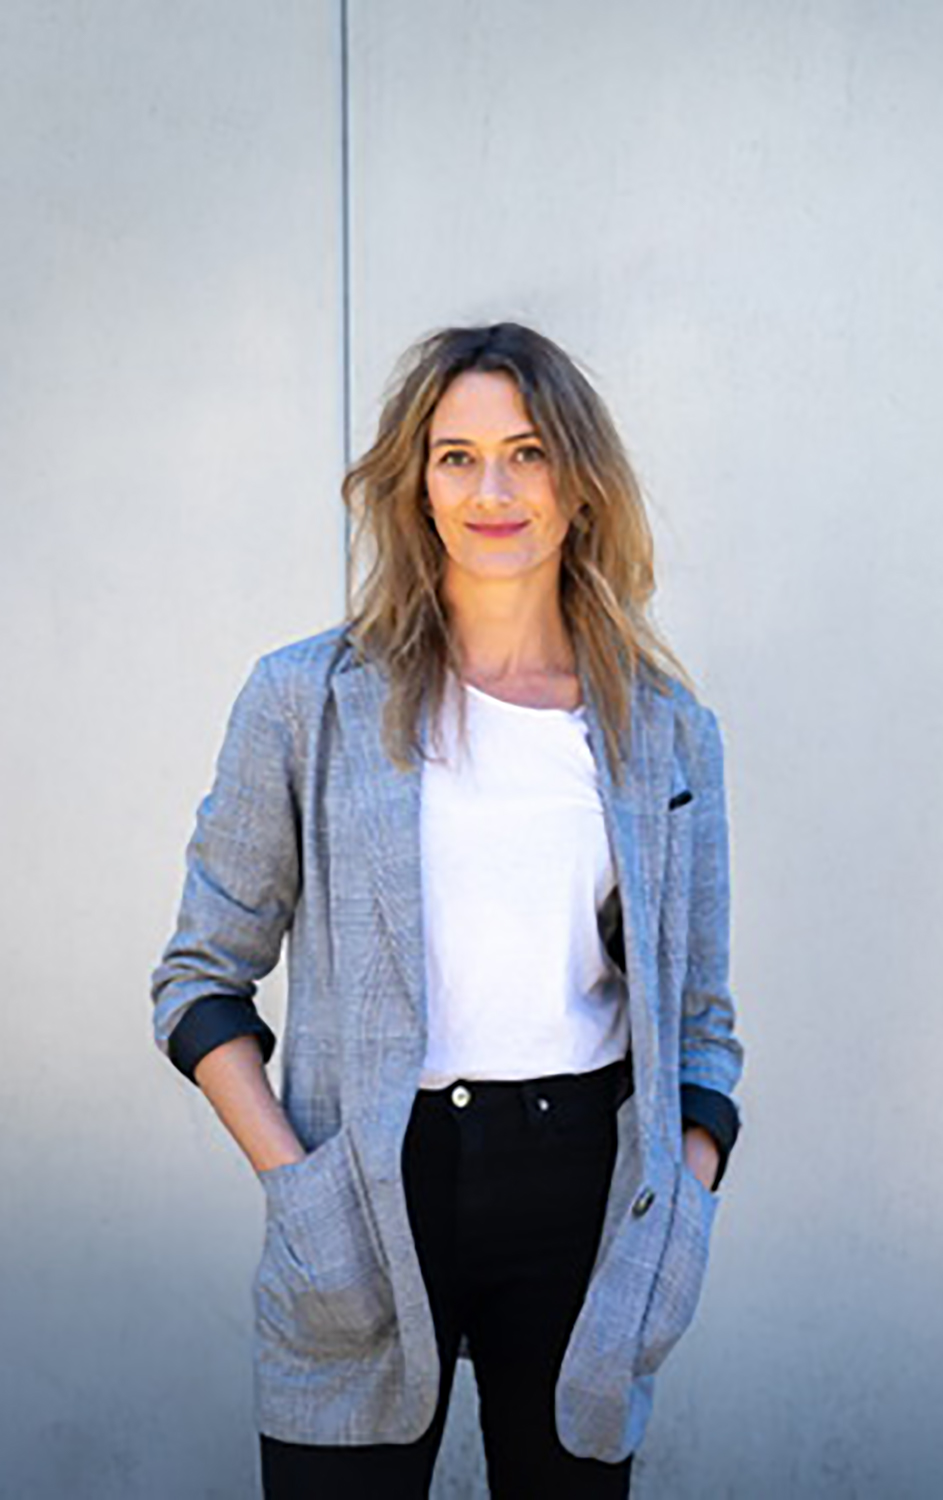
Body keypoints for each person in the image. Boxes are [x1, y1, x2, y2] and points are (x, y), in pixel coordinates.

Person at [151, 322, 743, 1498]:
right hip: (371, 1185)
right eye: (457, 458)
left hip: (582, 1189)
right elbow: (199, 979)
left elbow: (701, 1017)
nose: (493, 492)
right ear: (416, 488)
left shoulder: (664, 729)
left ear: (580, 482)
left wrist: (681, 1200)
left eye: (527, 454)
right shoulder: (305, 700)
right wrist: (298, 1184)